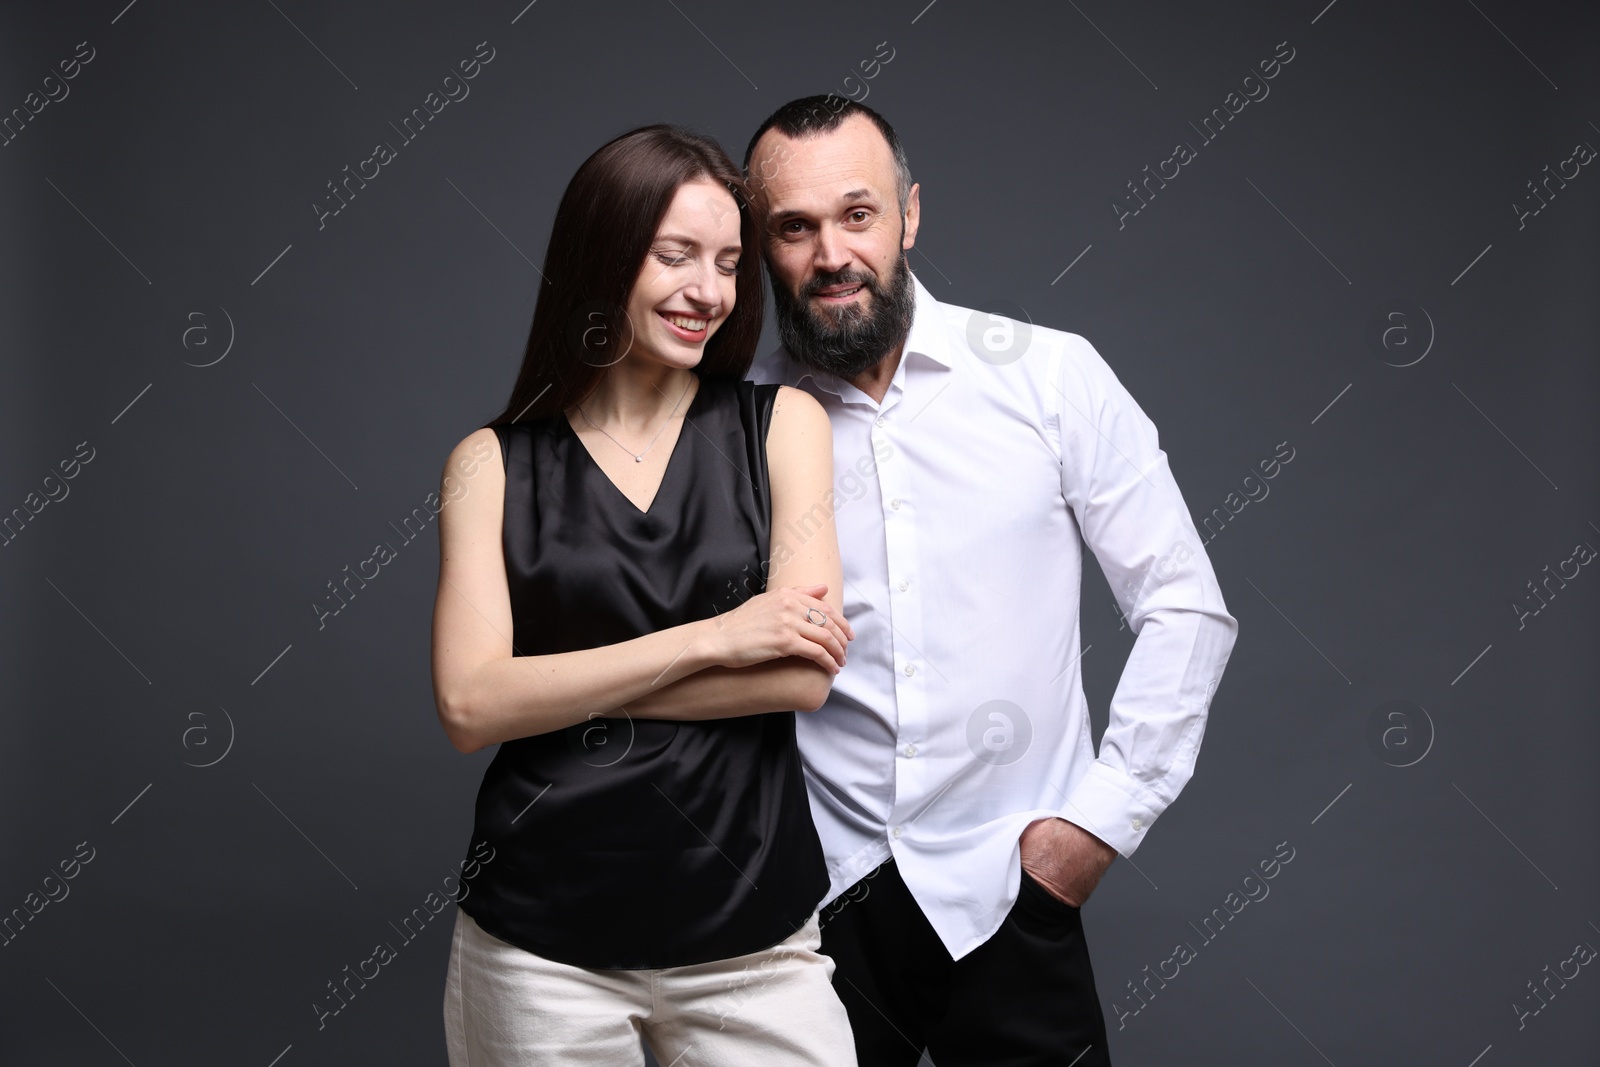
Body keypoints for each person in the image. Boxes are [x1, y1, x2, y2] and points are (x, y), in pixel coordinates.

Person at [735, 96, 1242, 1065]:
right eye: (793, 227)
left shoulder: (1050, 377)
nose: (830, 253)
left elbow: (1186, 606)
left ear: (909, 215)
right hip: (810, 913)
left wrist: (1093, 828)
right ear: (763, 243)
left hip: (1013, 892)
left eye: (857, 213)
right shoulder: (736, 423)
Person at [428, 124, 860, 1067]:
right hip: (538, 950)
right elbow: (467, 706)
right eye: (676, 255)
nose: (709, 290)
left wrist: (543, 692)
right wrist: (716, 638)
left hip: (755, 940)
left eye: (729, 263)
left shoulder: (784, 425)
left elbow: (800, 676)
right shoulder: (489, 465)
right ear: (604, 251)